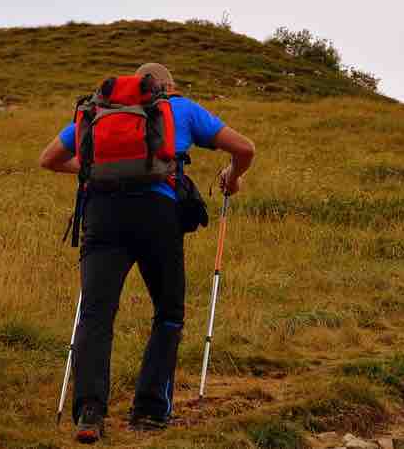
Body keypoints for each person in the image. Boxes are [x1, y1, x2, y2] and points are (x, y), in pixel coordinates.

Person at [38, 62, 255, 443]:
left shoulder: (98, 111)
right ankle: (150, 412)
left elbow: (48, 158)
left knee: (96, 312)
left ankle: (89, 413)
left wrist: (92, 170)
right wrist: (233, 178)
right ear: (167, 85)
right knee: (168, 312)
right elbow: (245, 148)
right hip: (158, 216)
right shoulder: (180, 108)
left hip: (102, 215)